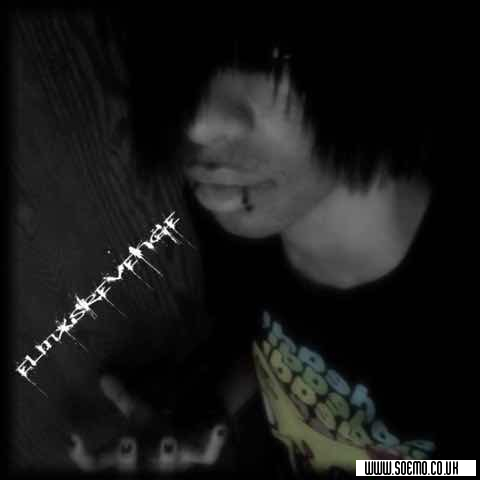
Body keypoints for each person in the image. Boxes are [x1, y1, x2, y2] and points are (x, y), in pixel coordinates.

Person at [69, 33, 473, 477]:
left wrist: (360, 467)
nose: (197, 124)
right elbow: (272, 334)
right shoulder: (239, 209)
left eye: (270, 58)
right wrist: (203, 417)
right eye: (182, 65)